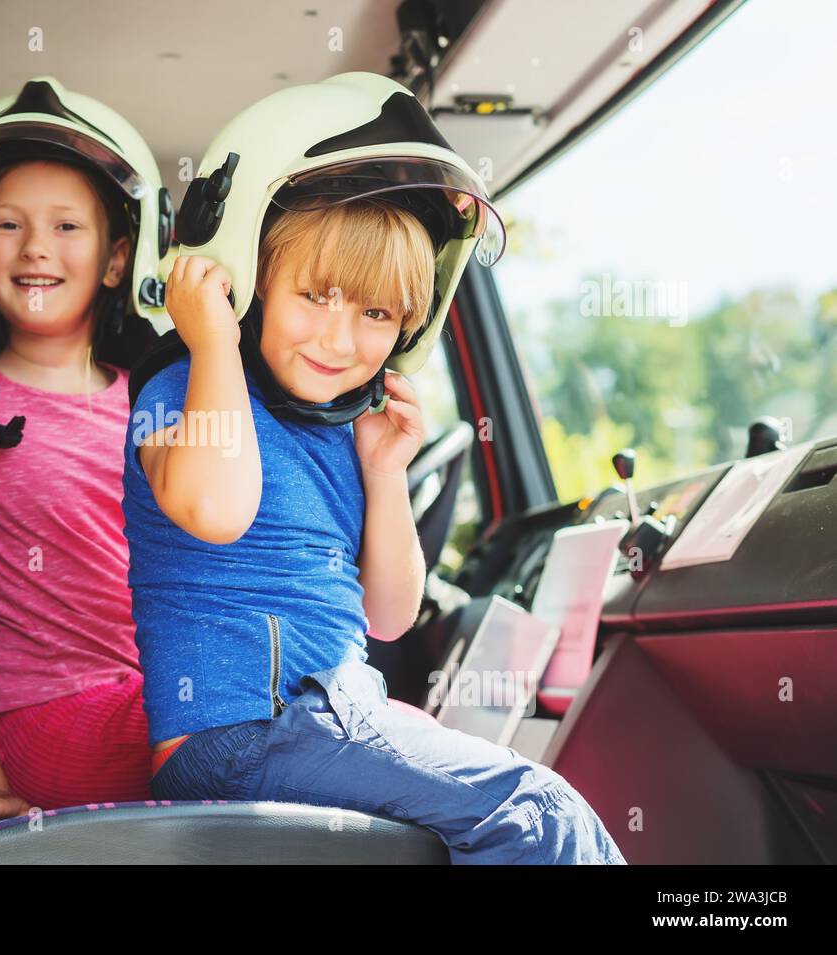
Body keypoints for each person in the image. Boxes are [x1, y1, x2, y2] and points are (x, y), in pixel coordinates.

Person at [122, 72, 626, 863]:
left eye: (376, 312)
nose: (340, 336)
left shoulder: (343, 428)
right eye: (316, 294)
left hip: (333, 711)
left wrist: (386, 472)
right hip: (237, 734)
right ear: (245, 277)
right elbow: (217, 509)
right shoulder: (184, 386)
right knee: (535, 811)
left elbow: (389, 615)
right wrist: (213, 337)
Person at [0, 77, 172, 829]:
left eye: (66, 226)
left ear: (117, 260)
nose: (37, 247)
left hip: (158, 703)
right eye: (8, 224)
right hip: (45, 725)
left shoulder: (159, 409)